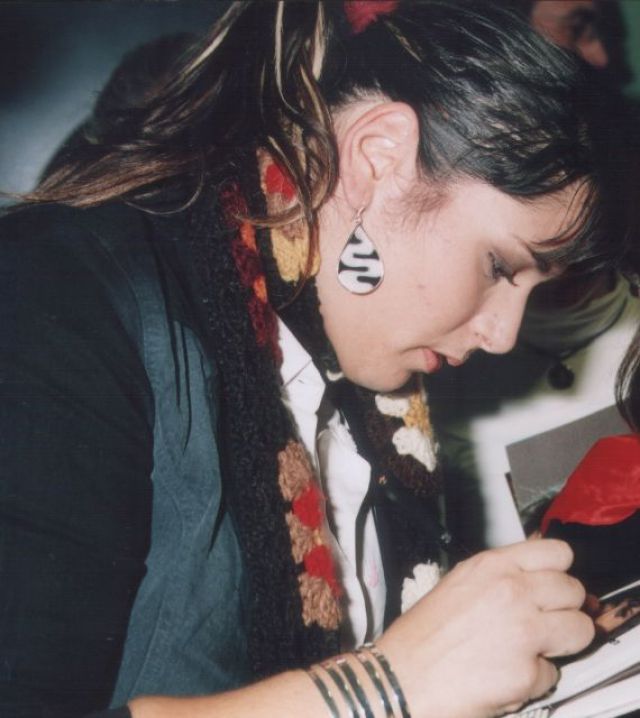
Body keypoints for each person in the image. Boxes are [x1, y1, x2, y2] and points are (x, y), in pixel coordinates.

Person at [0, 1, 617, 716]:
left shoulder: (362, 377)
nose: (503, 334)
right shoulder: (61, 293)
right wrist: (390, 685)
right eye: (499, 266)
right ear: (378, 157)